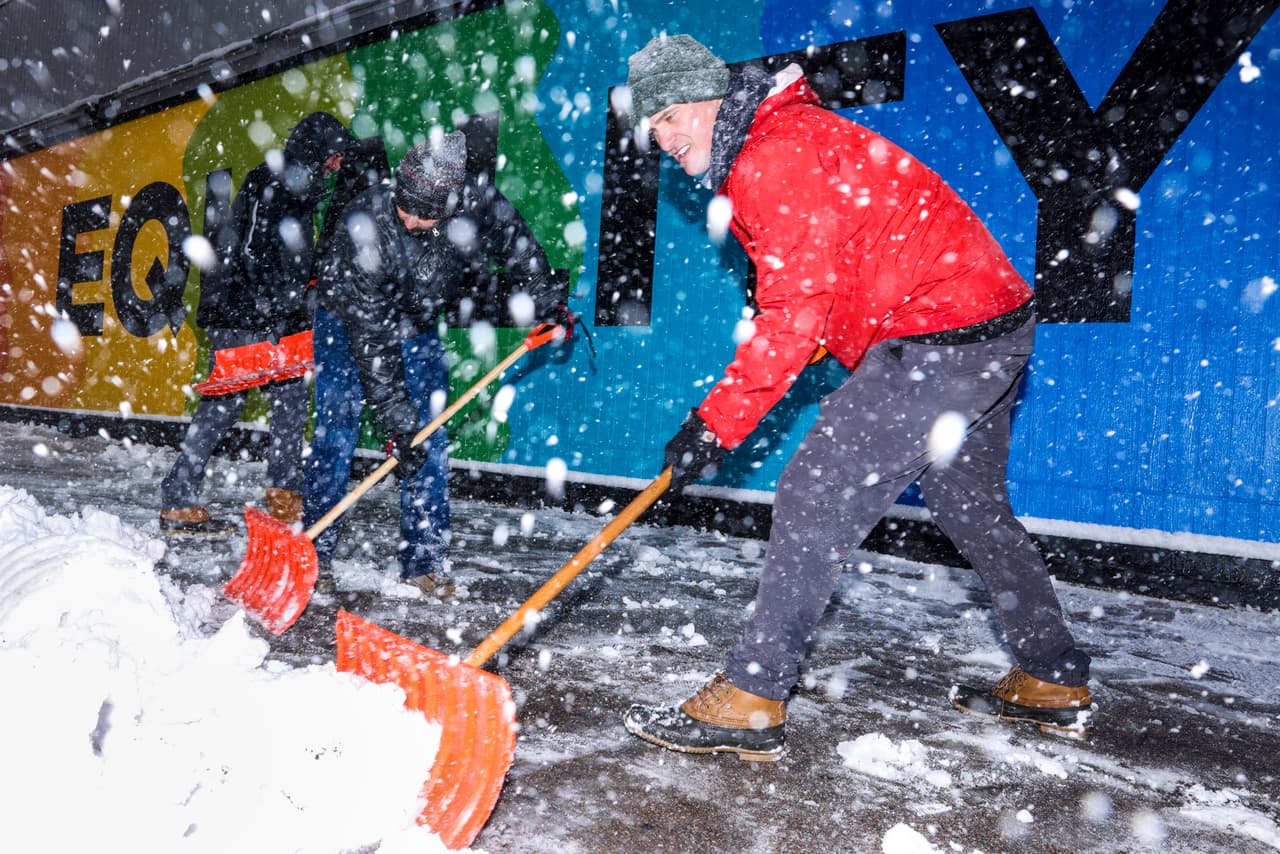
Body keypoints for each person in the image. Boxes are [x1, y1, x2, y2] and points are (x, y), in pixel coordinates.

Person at [620, 35, 1094, 760]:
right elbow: (832, 284)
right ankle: (1053, 675)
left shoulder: (769, 155)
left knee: (815, 490)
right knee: (971, 507)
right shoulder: (785, 138)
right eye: (653, 128)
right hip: (990, 331)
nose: (664, 137)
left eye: (674, 115)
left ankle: (754, 692)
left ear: (713, 99)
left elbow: (796, 307)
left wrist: (716, 423)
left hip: (938, 335)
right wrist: (799, 350)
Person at [305, 130, 570, 596]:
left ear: (450, 203)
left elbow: (516, 240)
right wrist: (395, 421)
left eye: (424, 214)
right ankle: (313, 551)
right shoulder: (364, 224)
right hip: (346, 318)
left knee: (431, 432)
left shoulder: (475, 200)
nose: (409, 220)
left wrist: (544, 291)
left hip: (417, 321)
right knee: (337, 429)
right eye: (405, 207)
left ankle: (422, 559)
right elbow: (372, 339)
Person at [160, 112, 353, 535]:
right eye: (334, 156)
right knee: (225, 403)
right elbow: (246, 252)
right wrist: (275, 302)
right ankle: (178, 496)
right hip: (244, 313)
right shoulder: (273, 182)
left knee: (290, 400)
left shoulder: (297, 191)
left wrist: (303, 289)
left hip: (276, 315)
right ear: (318, 152)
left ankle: (284, 491)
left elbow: (290, 257)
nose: (336, 166)